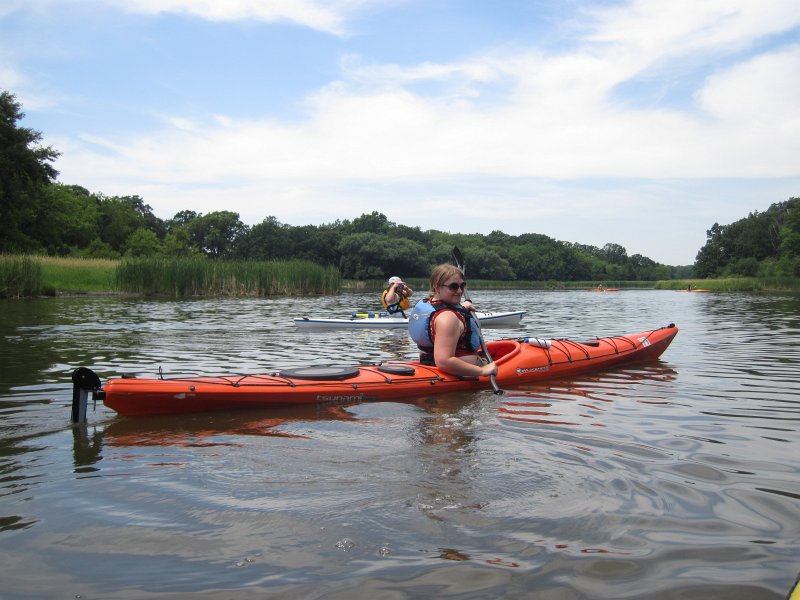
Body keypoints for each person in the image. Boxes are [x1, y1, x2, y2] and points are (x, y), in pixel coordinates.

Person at [408, 264, 498, 378]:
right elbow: (444, 361)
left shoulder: (428, 304)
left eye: (462, 285)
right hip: (458, 372)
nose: (460, 290)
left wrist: (462, 308)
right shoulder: (448, 318)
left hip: (428, 364)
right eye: (453, 287)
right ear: (437, 287)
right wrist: (482, 371)